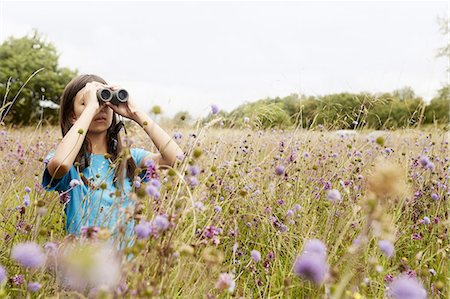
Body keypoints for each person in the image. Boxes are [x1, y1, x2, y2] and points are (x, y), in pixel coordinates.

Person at [41, 74, 183, 241]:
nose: (100, 108)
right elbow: (60, 165)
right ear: (73, 116)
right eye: (86, 103)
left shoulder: (129, 158)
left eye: (105, 102)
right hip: (84, 262)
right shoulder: (69, 161)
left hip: (124, 264)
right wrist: (90, 109)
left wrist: (135, 113)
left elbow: (177, 159)